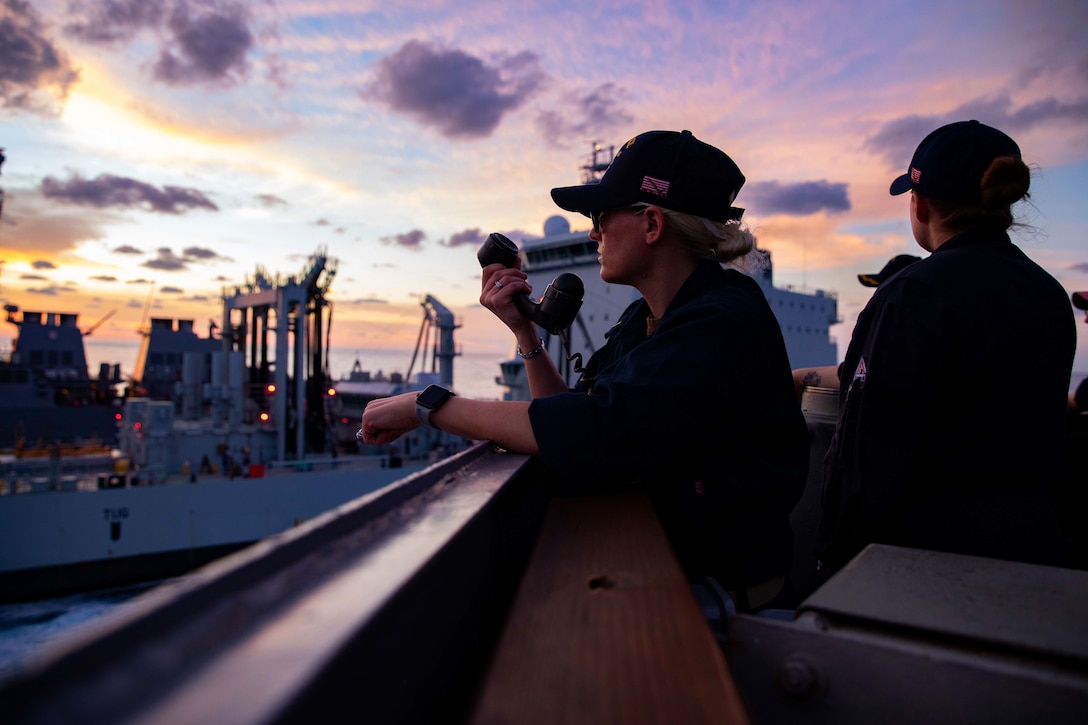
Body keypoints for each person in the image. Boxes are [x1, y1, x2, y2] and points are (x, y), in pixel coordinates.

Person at [362, 130, 809, 610]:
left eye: (600, 217)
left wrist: (428, 406)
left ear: (652, 224)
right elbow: (578, 412)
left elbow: (595, 430)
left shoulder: (720, 320)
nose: (594, 233)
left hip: (724, 607)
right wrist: (526, 334)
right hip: (667, 571)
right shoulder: (649, 317)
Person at [816, 120, 1076, 574]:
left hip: (925, 562)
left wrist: (835, 554)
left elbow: (868, 450)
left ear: (918, 204)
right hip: (1033, 554)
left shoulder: (915, 293)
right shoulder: (1048, 294)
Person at [792, 253, 921, 399]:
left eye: (882, 287)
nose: (877, 293)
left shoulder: (896, 335)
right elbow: (853, 373)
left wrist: (797, 377)